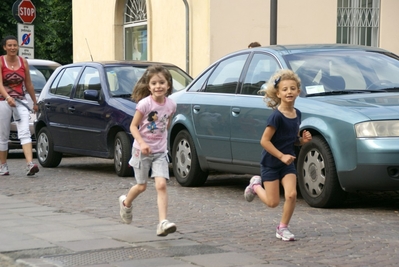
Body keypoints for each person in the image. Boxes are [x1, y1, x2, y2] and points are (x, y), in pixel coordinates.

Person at [244, 69, 312, 241]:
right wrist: (281, 156)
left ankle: (283, 228)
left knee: (291, 195)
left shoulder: (297, 114)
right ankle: (255, 185)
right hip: (271, 163)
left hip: (287, 162)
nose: (289, 92)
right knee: (272, 203)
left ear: (298, 91)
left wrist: (301, 141)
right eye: (285, 89)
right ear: (278, 93)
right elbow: (265, 141)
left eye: (292, 88)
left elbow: (290, 139)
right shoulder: (276, 116)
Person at [119, 65, 177, 236]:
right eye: (154, 83)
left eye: (161, 82)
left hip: (160, 151)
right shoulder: (144, 104)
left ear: (168, 85)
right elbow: (133, 126)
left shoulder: (171, 105)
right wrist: (143, 143)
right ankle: (126, 203)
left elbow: (166, 123)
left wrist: (162, 140)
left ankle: (162, 222)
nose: (158, 86)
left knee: (161, 185)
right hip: (141, 151)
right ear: (149, 86)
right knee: (142, 186)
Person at [0, 35, 39, 176]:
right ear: (5, 47)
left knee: (25, 131)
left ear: (18, 46)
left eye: (15, 45)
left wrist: (34, 102)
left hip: (20, 101)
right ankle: (3, 165)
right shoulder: (0, 61)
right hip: (3, 101)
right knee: (3, 134)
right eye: (9, 45)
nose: (12, 48)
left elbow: (28, 83)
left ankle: (30, 164)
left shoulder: (23, 62)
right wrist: (7, 97)